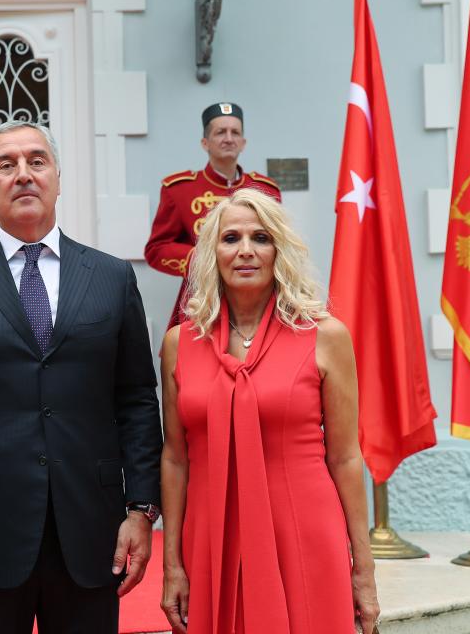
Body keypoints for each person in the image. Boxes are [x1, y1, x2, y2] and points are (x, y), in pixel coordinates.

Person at [0, 121, 163, 634]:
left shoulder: (111, 277)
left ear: (58, 178)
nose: (23, 174)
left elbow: (136, 398)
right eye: (6, 165)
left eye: (36, 161)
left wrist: (141, 509)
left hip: (92, 529)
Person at [157, 189, 380, 634]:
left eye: (260, 238)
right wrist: (172, 564)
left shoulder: (325, 336)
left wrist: (363, 567)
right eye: (231, 238)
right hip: (213, 537)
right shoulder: (180, 344)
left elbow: (345, 457)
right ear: (212, 253)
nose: (245, 250)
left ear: (280, 250)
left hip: (302, 531)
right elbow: (175, 459)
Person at [144, 102, 281, 329]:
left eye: (235, 132)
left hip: (259, 299)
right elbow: (156, 249)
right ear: (205, 143)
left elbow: (278, 245)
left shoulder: (266, 190)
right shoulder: (179, 189)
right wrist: (204, 257)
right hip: (201, 300)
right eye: (220, 132)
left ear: (243, 142)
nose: (228, 138)